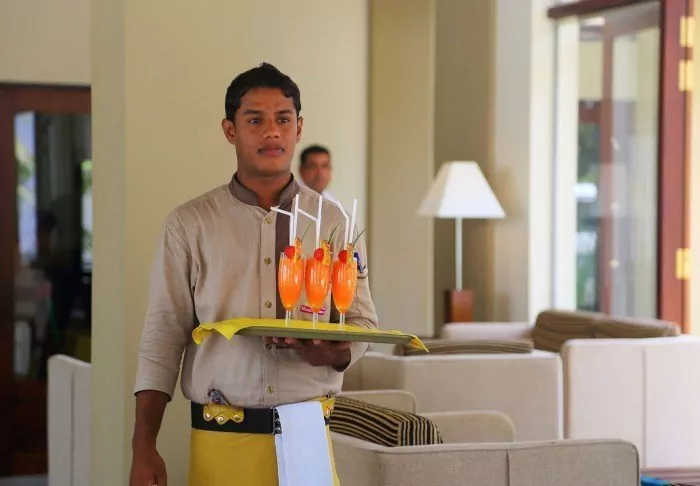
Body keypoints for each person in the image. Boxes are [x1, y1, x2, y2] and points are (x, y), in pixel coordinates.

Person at [129, 62, 378, 486]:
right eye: (255, 120)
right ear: (230, 130)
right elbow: (162, 336)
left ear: (299, 128)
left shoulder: (334, 223)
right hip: (221, 443)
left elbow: (363, 324)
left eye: (283, 119)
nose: (272, 132)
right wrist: (143, 446)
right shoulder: (190, 224)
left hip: (308, 441)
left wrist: (331, 353)